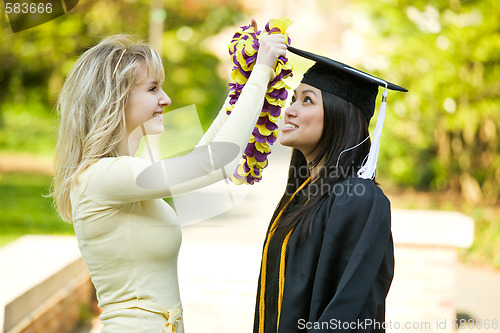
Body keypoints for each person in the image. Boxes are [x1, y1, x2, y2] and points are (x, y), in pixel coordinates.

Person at [51, 32, 287, 332]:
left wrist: (240, 89)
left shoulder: (121, 177)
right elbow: (215, 162)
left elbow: (204, 158)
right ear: (116, 98)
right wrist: (262, 70)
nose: (166, 99)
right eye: (152, 88)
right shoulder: (101, 177)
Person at [253, 46, 408, 333]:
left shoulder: (358, 199)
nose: (290, 110)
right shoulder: (303, 196)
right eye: (293, 99)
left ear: (340, 115)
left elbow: (345, 312)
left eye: (307, 100)